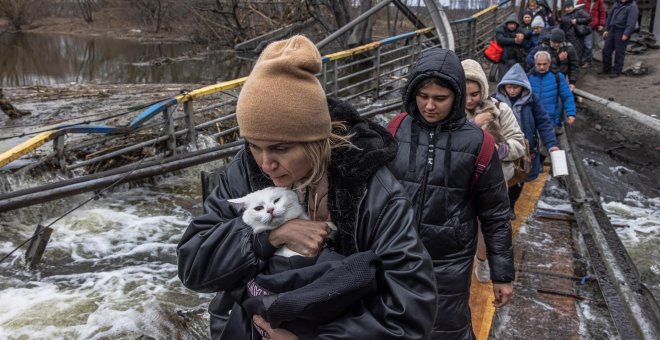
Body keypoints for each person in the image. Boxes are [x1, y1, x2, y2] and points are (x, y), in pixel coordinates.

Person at [177, 35, 437, 340]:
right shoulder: (243, 171)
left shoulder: (375, 191)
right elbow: (193, 265)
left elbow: (411, 311)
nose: (265, 163)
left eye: (280, 148)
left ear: (316, 140)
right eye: (254, 145)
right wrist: (268, 238)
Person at [387, 48, 514, 340]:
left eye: (440, 98)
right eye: (422, 96)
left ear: (456, 96)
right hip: (396, 252)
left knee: (445, 329)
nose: (429, 106)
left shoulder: (478, 143)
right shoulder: (397, 128)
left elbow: (495, 214)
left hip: (449, 260)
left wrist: (502, 274)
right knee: (394, 325)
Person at [462, 59, 525, 283]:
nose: (469, 100)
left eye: (475, 94)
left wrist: (499, 150)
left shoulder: (500, 110)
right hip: (460, 181)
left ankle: (482, 260)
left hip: (493, 180)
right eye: (464, 94)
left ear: (483, 90)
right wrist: (475, 125)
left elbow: (519, 143)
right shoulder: (448, 112)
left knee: (485, 224)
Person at [494, 63, 559, 218]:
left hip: (524, 148)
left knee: (519, 177)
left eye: (515, 87)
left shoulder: (531, 101)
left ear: (522, 87)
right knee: (500, 177)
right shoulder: (495, 100)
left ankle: (510, 205)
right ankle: (498, 207)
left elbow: (543, 122)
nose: (512, 90)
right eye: (509, 87)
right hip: (502, 147)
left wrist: (551, 145)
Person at [528, 51, 577, 130]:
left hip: (550, 119)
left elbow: (567, 96)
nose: (542, 67)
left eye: (544, 64)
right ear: (535, 63)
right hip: (532, 119)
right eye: (539, 64)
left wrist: (571, 113)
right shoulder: (528, 77)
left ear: (549, 63)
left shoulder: (558, 77)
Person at [602, 0, 639, 78]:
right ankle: (606, 68)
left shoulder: (632, 7)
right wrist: (606, 29)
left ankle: (617, 71)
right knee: (606, 50)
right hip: (612, 29)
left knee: (619, 52)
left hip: (622, 31)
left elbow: (631, 22)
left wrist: (626, 34)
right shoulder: (616, 3)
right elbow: (610, 16)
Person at [495, 13, 530, 81]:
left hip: (516, 58)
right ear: (507, 24)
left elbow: (528, 32)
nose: (512, 26)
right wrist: (514, 40)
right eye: (510, 24)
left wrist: (523, 35)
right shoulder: (501, 29)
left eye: (514, 24)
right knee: (503, 79)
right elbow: (500, 40)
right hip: (503, 59)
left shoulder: (518, 29)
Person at [559, 0, 592, 65]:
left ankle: (576, 68)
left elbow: (589, 18)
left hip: (577, 36)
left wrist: (577, 20)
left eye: (568, 7)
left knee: (577, 53)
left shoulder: (579, 12)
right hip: (568, 37)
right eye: (565, 7)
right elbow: (561, 27)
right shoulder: (564, 15)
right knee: (569, 54)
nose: (567, 9)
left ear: (573, 6)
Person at [577, 0, 607, 68]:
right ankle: (580, 60)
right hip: (581, 24)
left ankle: (588, 61)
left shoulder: (599, 1)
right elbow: (577, 9)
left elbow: (602, 13)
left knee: (588, 44)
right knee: (580, 43)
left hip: (591, 26)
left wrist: (601, 24)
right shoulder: (582, 0)